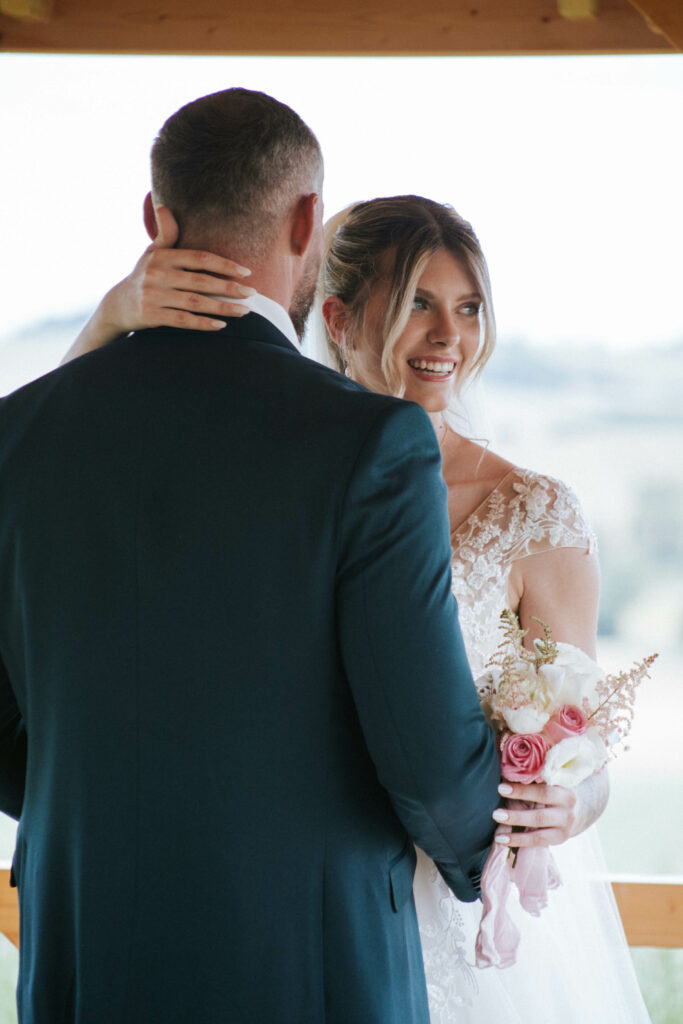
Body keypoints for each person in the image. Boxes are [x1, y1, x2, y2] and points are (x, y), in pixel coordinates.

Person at [72, 194, 653, 1023]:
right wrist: (106, 323)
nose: (447, 336)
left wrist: (568, 802)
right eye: (417, 303)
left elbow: (584, 744)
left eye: (466, 308)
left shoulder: (536, 512)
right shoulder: (265, 484)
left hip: (463, 923)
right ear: (338, 317)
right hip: (295, 901)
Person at [0, 94, 502, 1023]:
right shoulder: (373, 443)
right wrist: (506, 839)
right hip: (309, 963)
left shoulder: (19, 433)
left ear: (155, 220)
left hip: (82, 951)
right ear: (309, 219)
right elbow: (428, 760)